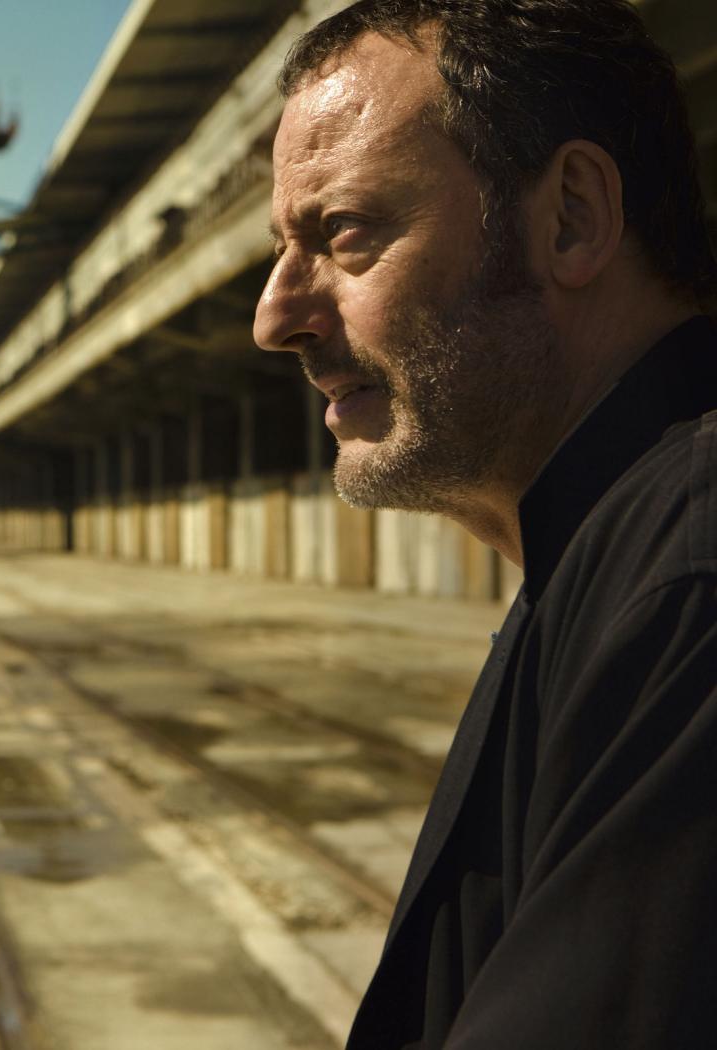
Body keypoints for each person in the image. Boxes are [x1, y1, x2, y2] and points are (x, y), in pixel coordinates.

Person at [252, 1, 717, 1046]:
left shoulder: (689, 589)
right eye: (282, 249)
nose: (273, 317)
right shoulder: (600, 557)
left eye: (343, 231)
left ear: (571, 219)